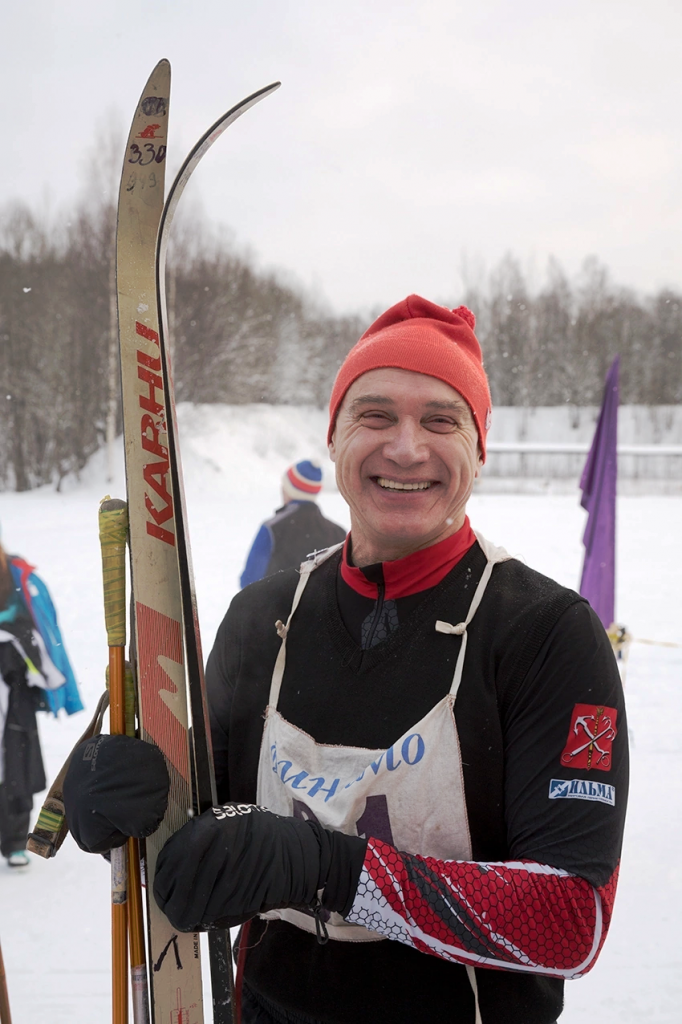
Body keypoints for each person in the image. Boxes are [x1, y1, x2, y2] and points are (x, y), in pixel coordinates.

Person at [64, 296, 628, 1024]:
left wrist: (327, 868)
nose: (405, 448)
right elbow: (202, 828)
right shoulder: (262, 619)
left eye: (440, 420)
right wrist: (125, 795)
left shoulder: (544, 633)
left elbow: (567, 921)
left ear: (479, 450)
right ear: (334, 438)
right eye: (375, 415)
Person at [0, 532, 82, 868]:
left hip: (16, 686)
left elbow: (43, 631)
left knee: (16, 764)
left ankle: (16, 839)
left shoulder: (20, 579)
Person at [239, 459, 346, 588]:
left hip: (277, 607)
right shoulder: (337, 532)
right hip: (323, 608)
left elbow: (249, 581)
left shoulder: (271, 529)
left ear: (289, 490)